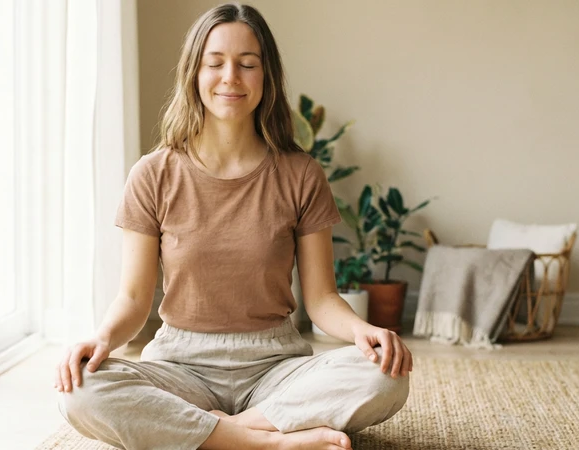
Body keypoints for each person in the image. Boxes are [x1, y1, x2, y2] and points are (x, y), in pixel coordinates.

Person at [54, 3, 411, 449]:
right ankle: (269, 442)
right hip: (180, 366)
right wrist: (101, 337)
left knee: (387, 376)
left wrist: (364, 332)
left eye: (248, 65)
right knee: (80, 389)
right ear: (194, 73)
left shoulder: (300, 174)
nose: (231, 78)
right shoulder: (153, 174)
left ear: (267, 77)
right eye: (215, 63)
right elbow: (132, 297)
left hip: (275, 366)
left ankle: (214, 432)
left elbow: (320, 299)